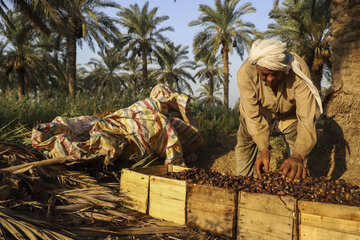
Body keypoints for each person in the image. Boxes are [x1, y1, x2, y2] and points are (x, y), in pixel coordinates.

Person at [235, 39, 322, 180]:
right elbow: (251, 115)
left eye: (275, 73)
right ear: (257, 68)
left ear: (284, 68)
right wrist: (264, 149)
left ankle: (294, 185)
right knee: (245, 143)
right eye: (264, 74)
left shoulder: (298, 69)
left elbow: (306, 117)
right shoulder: (245, 73)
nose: (269, 79)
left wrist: (297, 156)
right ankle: (242, 181)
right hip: (260, 114)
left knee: (297, 160)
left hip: (290, 116)